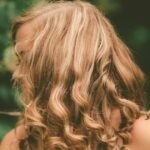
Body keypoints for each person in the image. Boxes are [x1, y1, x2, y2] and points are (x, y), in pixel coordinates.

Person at [0, 0, 150, 150]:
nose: (16, 74)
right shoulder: (17, 142)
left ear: (64, 63)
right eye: (19, 61)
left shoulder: (143, 136)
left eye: (28, 60)